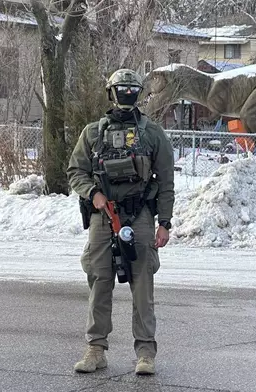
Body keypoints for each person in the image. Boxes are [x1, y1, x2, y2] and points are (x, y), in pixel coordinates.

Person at [67, 68, 175, 376]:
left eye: (131, 90)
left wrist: (164, 222)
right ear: (111, 93)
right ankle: (96, 349)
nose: (125, 96)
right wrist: (93, 194)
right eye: (120, 90)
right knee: (99, 282)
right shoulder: (92, 132)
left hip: (139, 215)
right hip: (104, 216)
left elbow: (165, 180)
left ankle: (145, 352)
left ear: (138, 93)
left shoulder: (152, 133)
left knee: (142, 285)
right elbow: (76, 171)